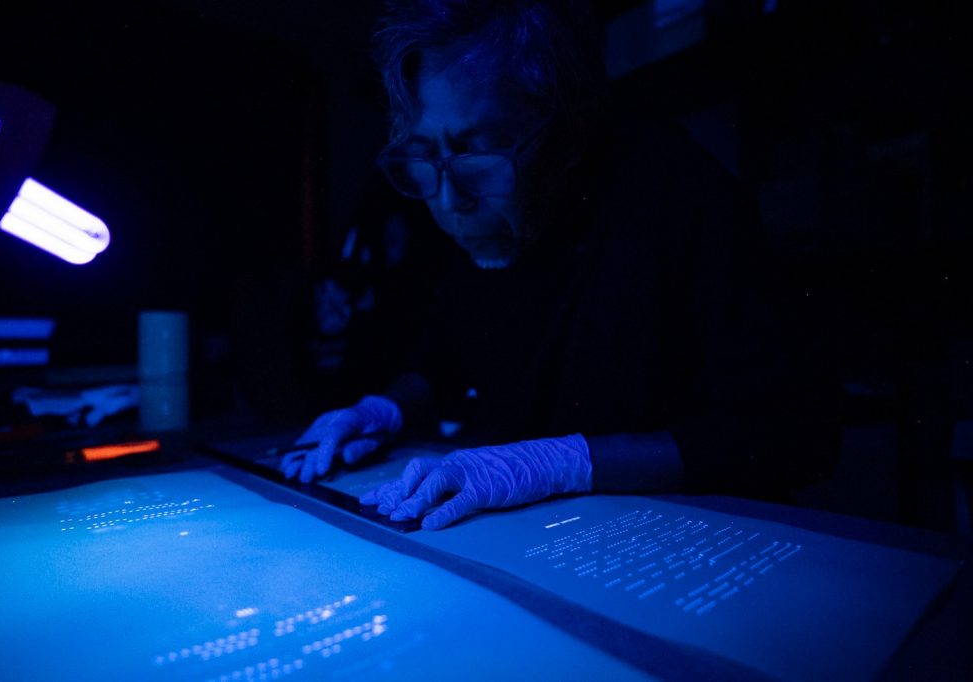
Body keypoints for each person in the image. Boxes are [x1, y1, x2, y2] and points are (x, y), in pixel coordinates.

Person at [281, 0, 839, 530]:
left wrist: (561, 463)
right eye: (425, 154)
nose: (450, 201)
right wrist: (385, 409)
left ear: (568, 133)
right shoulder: (473, 202)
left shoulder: (676, 190)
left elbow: (792, 431)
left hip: (690, 532)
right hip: (542, 535)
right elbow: (445, 352)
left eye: (481, 151)